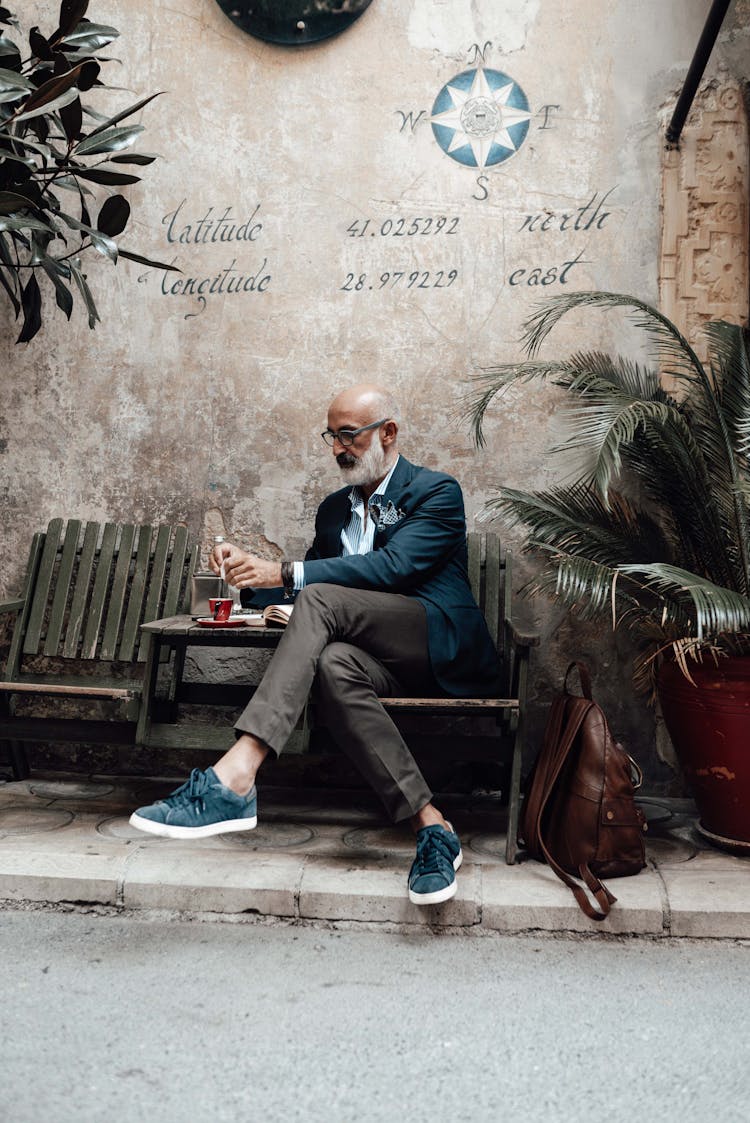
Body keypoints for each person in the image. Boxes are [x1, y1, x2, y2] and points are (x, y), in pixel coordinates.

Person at [130, 384, 501, 905]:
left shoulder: (435, 492)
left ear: (387, 433)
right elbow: (298, 586)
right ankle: (432, 826)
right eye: (332, 436)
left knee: (322, 599)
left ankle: (238, 773)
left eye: (349, 434)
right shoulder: (333, 511)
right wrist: (247, 575)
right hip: (372, 660)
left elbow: (395, 569)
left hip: (437, 646)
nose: (337, 448)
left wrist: (285, 570)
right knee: (331, 663)